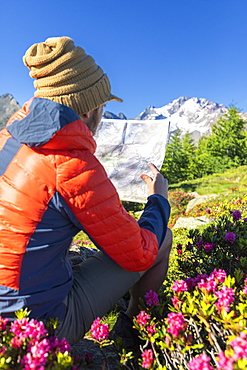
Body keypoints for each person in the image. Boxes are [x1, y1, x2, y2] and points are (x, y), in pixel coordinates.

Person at [0, 36, 172, 346]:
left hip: (8, 298)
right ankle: (133, 330)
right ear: (89, 107)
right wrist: (158, 199)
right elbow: (139, 253)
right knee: (162, 239)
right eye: (103, 104)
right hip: (32, 328)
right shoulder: (72, 163)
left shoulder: (7, 139)